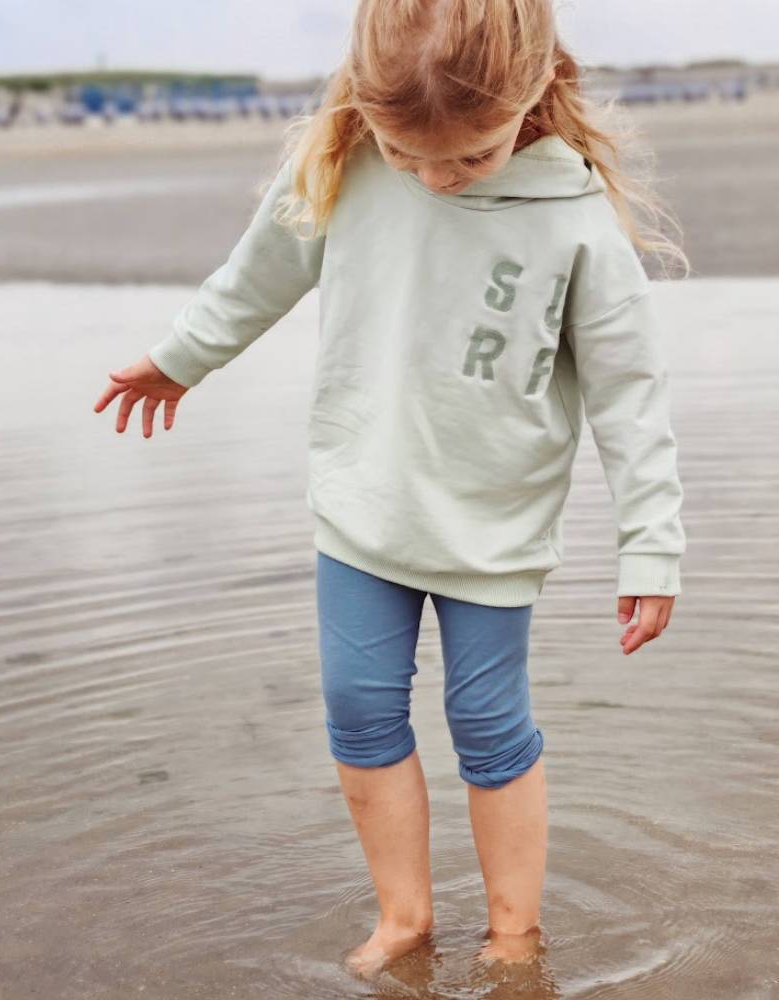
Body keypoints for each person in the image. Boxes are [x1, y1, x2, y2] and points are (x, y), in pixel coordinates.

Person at [93, 0, 688, 979]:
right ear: (367, 106)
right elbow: (256, 275)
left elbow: (630, 395)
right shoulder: (347, 163)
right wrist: (179, 359)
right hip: (362, 504)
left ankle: (513, 934)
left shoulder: (575, 219)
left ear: (536, 87)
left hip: (492, 526)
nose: (437, 177)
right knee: (358, 708)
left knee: (489, 725)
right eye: (410, 155)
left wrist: (652, 545)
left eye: (470, 156)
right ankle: (404, 918)